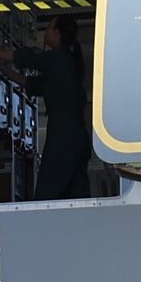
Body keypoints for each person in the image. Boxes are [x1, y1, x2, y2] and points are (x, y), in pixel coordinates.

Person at [27, 14, 94, 201]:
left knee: (46, 195)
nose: (46, 31)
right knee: (76, 195)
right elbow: (31, 84)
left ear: (57, 33)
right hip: (77, 142)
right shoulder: (68, 65)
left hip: (62, 142)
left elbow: (25, 58)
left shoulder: (56, 59)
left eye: (49, 27)